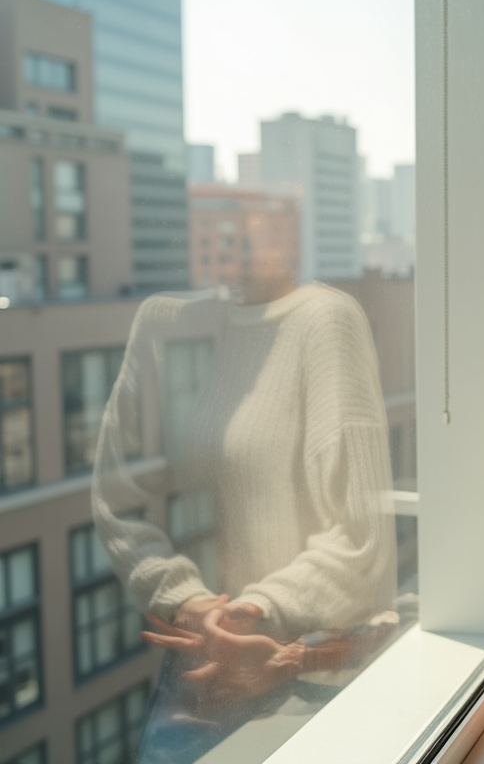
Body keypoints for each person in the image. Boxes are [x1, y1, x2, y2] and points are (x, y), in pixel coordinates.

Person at [90, 245, 399, 762]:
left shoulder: (325, 319)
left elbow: (361, 533)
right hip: (194, 674)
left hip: (305, 675)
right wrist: (184, 597)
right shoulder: (163, 321)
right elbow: (115, 496)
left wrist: (255, 609)